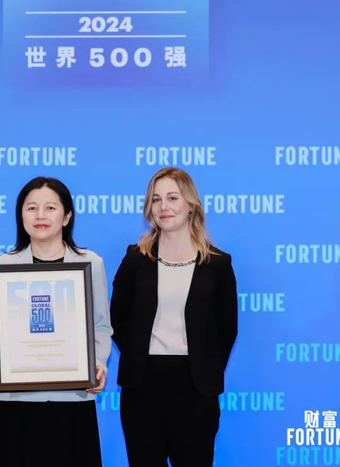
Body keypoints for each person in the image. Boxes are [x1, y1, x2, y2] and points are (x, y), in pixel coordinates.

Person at [0, 176, 112, 467]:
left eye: (50, 208)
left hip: (73, 396)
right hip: (20, 398)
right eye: (31, 208)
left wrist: (97, 363)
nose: (40, 215)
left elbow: (101, 325)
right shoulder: (4, 267)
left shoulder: (91, 263)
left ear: (67, 216)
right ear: (21, 215)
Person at [110, 167, 238, 467]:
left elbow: (227, 329)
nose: (163, 207)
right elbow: (117, 319)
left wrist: (203, 367)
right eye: (156, 199)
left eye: (172, 198)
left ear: (191, 205)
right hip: (142, 386)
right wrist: (139, 355)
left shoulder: (218, 264)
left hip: (196, 388)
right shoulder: (135, 259)